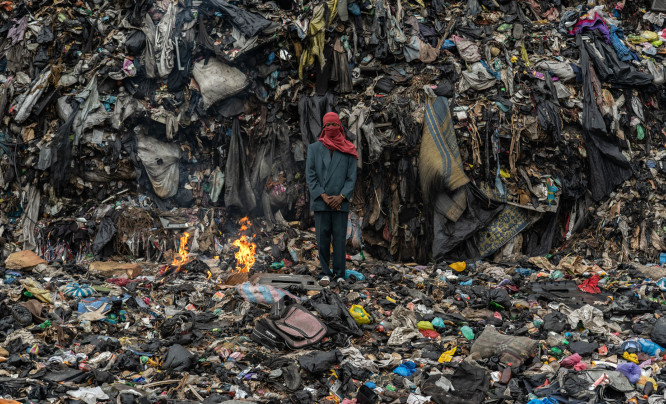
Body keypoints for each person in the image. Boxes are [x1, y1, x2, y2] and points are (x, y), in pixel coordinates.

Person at [306, 112, 358, 286]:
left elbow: (351, 178)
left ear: (340, 127)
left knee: (339, 239)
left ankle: (340, 273)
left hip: (340, 204)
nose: (330, 129)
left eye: (333, 125)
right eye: (327, 125)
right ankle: (324, 273)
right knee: (322, 239)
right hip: (322, 202)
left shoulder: (348, 148)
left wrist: (341, 197)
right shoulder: (314, 149)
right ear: (323, 127)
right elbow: (310, 175)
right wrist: (323, 195)